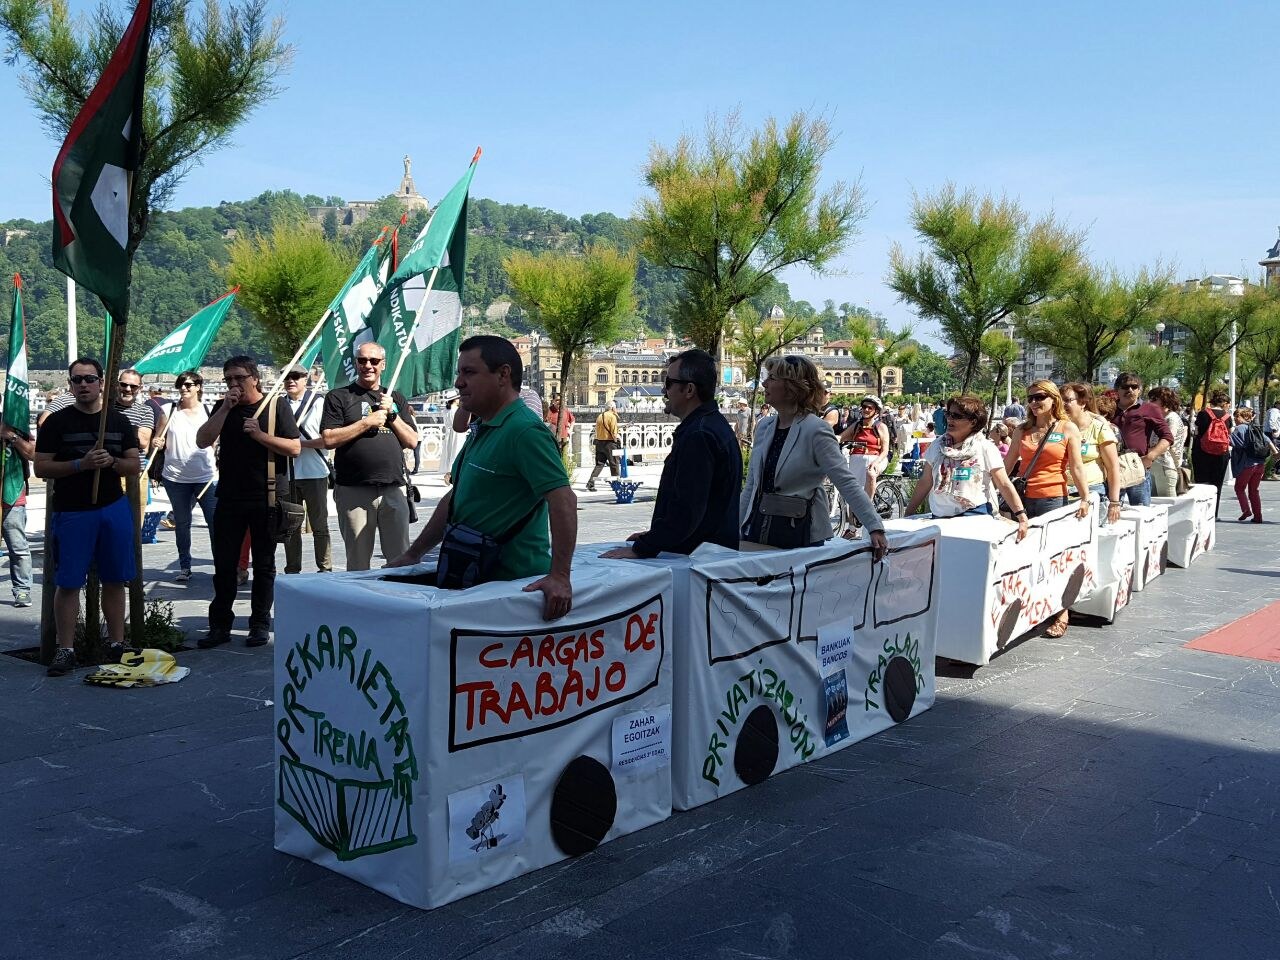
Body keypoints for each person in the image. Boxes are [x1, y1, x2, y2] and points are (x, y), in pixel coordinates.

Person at [388, 336, 576, 620]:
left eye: (469, 373)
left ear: (503, 375)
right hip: (474, 576)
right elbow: (456, 497)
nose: (459, 383)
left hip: (515, 590)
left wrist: (560, 576)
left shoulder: (525, 431)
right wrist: (414, 553)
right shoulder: (485, 426)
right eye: (459, 373)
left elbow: (563, 498)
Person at [34, 358, 142, 675]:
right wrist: (80, 465)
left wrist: (110, 461)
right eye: (77, 380)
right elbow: (42, 468)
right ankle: (65, 649)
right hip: (72, 511)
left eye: (89, 379)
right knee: (67, 581)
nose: (83, 385)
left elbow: (133, 465)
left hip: (112, 507)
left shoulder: (119, 423)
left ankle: (117, 644)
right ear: (70, 384)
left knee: (114, 578)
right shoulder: (56, 422)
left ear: (101, 383)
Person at [196, 356, 300, 648]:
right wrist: (226, 407)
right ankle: (219, 625)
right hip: (229, 495)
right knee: (225, 565)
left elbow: (294, 447)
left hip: (266, 496)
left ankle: (259, 624)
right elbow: (202, 440)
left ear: (254, 377)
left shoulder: (276, 406)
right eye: (228, 379)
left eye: (239, 378)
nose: (233, 384)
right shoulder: (222, 406)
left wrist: (260, 435)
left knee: (265, 565)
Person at [739, 355, 887, 557]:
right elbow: (752, 486)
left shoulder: (816, 429)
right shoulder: (764, 426)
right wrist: (734, 526)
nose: (765, 383)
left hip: (798, 532)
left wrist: (874, 526)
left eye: (772, 378)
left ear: (792, 387)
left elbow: (845, 481)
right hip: (758, 529)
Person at [601, 349, 741, 559]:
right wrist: (657, 537)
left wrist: (643, 548)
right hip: (710, 554)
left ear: (689, 390)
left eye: (668, 383)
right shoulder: (712, 425)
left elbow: (687, 510)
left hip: (696, 561)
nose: (663, 390)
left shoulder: (699, 435)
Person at [1004, 379, 1091, 638]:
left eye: (1040, 397)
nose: (1034, 402)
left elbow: (1076, 466)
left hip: (1053, 498)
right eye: (1030, 398)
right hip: (1023, 500)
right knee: (1027, 557)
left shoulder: (1067, 428)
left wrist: (1085, 497)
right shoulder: (1022, 430)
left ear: (1054, 399)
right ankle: (1034, 608)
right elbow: (1007, 466)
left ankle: (1061, 613)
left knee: (1054, 558)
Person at [320, 342, 418, 571]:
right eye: (362, 360)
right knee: (358, 563)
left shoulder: (395, 398)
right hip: (354, 491)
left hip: (393, 489)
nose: (368, 365)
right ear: (356, 363)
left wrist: (392, 414)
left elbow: (412, 441)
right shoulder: (338, 397)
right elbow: (329, 439)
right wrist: (366, 423)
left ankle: (396, 605)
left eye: (374, 361)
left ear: (383, 365)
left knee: (399, 561)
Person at [903, 394, 1029, 540]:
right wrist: (908, 514)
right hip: (940, 519)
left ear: (973, 421)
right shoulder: (937, 445)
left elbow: (1003, 483)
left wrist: (1021, 515)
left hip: (975, 518)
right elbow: (925, 481)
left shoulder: (984, 447)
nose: (950, 419)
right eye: (948, 414)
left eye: (956, 416)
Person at [154, 370, 217, 582]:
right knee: (181, 524)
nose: (184, 388)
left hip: (206, 476)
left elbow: (216, 441)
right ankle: (185, 566)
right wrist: (157, 442)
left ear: (198, 387)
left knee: (215, 523)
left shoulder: (208, 410)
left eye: (189, 384)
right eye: (181, 384)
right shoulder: (168, 410)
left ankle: (222, 566)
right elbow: (158, 437)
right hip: (175, 478)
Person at [282, 366, 332, 574]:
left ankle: (325, 568)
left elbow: (329, 439)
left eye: (295, 377)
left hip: (315, 472)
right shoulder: (279, 404)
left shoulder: (319, 403)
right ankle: (293, 569)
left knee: (320, 525)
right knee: (290, 526)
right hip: (288, 473)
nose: (290, 381)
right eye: (286, 377)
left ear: (306, 379)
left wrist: (300, 445)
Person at [1061, 382, 1122, 527]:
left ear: (1082, 403)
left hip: (1092, 491)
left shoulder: (1099, 428)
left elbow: (1113, 467)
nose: (1063, 404)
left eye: (1067, 400)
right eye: (1060, 400)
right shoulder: (1058, 428)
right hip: (1062, 493)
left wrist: (1114, 502)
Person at [1110, 372, 1173, 506]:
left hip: (1138, 466)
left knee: (1142, 512)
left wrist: (1151, 456)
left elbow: (1167, 437)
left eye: (1134, 386)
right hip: (1112, 467)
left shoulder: (1149, 409)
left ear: (1140, 390)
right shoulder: (1109, 409)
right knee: (1112, 512)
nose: (1130, 390)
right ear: (1117, 390)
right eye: (1125, 387)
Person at [0, 420, 34, 606]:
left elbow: (34, 454)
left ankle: (22, 590)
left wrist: (11, 436)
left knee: (18, 547)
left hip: (11, 497)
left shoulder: (14, 425)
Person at [840, 395, 891, 502]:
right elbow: (841, 437)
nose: (866, 410)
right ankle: (852, 518)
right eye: (864, 407)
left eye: (870, 408)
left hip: (876, 458)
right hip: (857, 459)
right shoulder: (857, 426)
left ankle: (868, 508)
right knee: (853, 492)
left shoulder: (881, 427)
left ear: (876, 411)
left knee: (871, 474)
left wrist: (876, 462)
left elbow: (885, 450)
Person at [1191, 388, 1232, 519]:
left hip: (1201, 452)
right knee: (1217, 484)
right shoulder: (1227, 417)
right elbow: (1229, 434)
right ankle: (1213, 514)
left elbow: (1196, 432)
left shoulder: (1203, 414)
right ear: (1224, 403)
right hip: (1221, 454)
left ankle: (1201, 512)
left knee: (1201, 483)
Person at [1231, 407, 1276, 523]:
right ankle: (1258, 516)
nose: (1235, 419)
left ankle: (1246, 510)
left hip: (1247, 464)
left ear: (1243, 417)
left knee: (1239, 488)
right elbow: (1268, 440)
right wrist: (1275, 452)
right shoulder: (1256, 428)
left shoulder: (1239, 428)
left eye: (1237, 416)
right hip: (1260, 464)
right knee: (1254, 490)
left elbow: (1235, 443)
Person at [1147, 386, 1186, 498]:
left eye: (1154, 399)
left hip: (1165, 465)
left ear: (1165, 401)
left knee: (1168, 506)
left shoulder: (1171, 418)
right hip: (1155, 465)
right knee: (1155, 504)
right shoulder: (1158, 418)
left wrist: (1146, 453)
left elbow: (1167, 442)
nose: (1150, 402)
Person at [586, 400, 621, 491]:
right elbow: (613, 431)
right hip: (609, 443)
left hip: (599, 442)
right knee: (614, 464)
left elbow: (597, 429)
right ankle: (616, 484)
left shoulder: (600, 416)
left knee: (599, 464)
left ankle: (590, 483)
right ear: (612, 407)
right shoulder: (612, 417)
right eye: (615, 407)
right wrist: (616, 440)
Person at [438, 396, 465, 484]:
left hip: (449, 433)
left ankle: (449, 472)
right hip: (457, 433)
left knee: (449, 454)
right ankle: (451, 474)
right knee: (457, 453)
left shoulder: (445, 410)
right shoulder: (456, 409)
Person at [1266, 399, 1280, 480]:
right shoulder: (1274, 411)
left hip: (1273, 434)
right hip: (1271, 434)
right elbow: (1272, 421)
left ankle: (1268, 472)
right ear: (1277, 404)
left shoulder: (1276, 411)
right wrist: (1274, 430)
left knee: (1274, 453)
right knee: (1274, 452)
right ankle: (1268, 472)